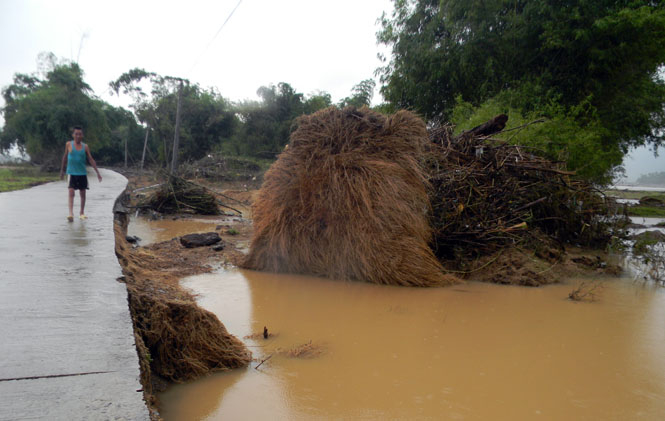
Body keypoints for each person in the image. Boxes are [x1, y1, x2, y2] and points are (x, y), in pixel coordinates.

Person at [59, 126, 102, 221]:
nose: (78, 136)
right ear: (73, 135)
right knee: (71, 192)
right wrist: (62, 170)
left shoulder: (85, 146)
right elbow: (65, 157)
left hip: (82, 173)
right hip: (71, 172)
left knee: (83, 193)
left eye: (80, 134)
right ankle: (70, 213)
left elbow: (90, 159)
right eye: (76, 134)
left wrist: (97, 172)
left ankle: (82, 212)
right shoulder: (68, 144)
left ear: (82, 135)